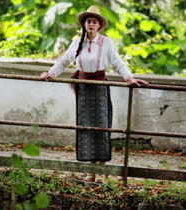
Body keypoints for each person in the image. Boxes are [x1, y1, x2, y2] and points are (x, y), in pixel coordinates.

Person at [41, 5, 148, 164]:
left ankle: (102, 164)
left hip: (99, 87)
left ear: (99, 25)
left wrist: (129, 78)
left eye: (94, 22)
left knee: (101, 125)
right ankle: (91, 166)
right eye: (88, 21)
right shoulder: (77, 42)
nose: (91, 24)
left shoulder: (106, 42)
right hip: (83, 88)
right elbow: (63, 61)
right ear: (84, 24)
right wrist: (50, 73)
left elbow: (118, 63)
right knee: (85, 126)